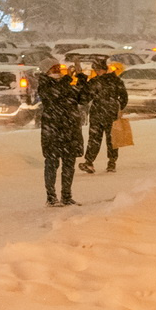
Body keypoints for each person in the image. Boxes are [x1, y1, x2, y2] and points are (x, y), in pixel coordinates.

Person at [36, 62, 86, 207]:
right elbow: (55, 94)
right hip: (53, 131)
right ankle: (51, 197)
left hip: (70, 131)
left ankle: (66, 195)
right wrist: (68, 78)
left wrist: (81, 77)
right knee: (52, 164)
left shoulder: (67, 86)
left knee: (69, 164)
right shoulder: (45, 85)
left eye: (60, 69)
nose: (58, 71)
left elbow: (83, 98)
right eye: (54, 68)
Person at [80, 61, 129, 174]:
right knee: (96, 139)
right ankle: (90, 161)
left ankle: (111, 162)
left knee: (110, 139)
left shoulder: (112, 81)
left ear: (104, 69)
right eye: (95, 70)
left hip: (107, 113)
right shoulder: (107, 81)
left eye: (99, 69)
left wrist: (119, 107)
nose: (97, 72)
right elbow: (84, 97)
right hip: (100, 113)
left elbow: (123, 96)